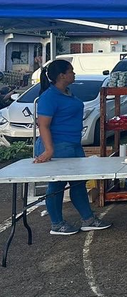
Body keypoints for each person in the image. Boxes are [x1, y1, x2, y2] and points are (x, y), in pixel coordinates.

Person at [33, 60, 112, 236]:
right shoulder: (49, 97)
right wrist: (48, 150)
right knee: (57, 185)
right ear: (61, 75)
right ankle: (56, 224)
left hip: (74, 145)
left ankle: (88, 219)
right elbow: (43, 125)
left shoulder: (67, 93)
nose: (74, 74)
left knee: (78, 183)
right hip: (58, 146)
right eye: (71, 71)